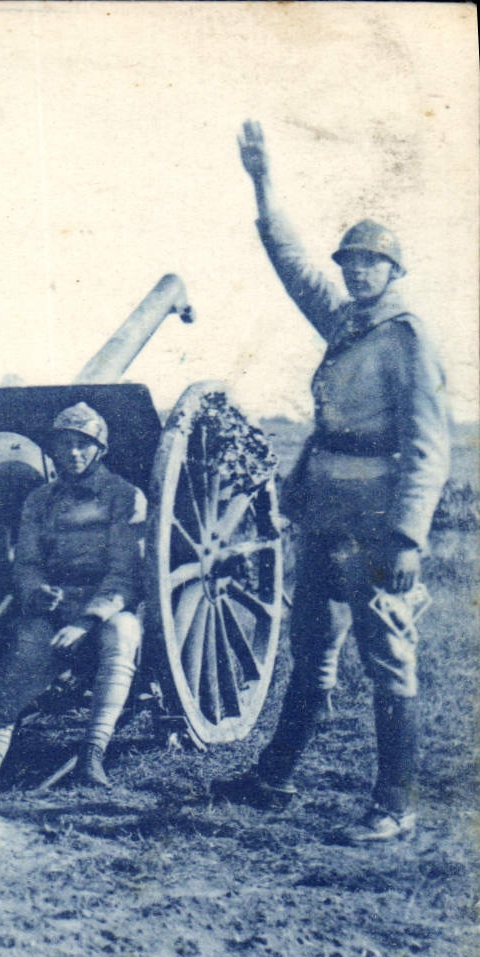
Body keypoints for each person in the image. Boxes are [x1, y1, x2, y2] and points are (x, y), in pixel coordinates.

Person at [212, 120, 450, 844]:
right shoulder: (346, 323)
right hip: (323, 516)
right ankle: (275, 778)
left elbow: (429, 445)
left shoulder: (406, 337)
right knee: (312, 647)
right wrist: (263, 184)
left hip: (377, 524)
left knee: (387, 657)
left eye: (370, 264)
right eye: (349, 263)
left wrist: (407, 538)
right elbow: (291, 264)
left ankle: (395, 804)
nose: (355, 273)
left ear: (393, 271)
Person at [0, 403, 146, 802]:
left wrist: (86, 622)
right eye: (64, 445)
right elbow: (26, 563)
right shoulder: (39, 500)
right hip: (52, 609)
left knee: (122, 634)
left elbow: (125, 574)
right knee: (9, 688)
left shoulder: (125, 496)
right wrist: (36, 591)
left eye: (83, 444)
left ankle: (91, 757)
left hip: (105, 607)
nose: (73, 453)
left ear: (100, 449)